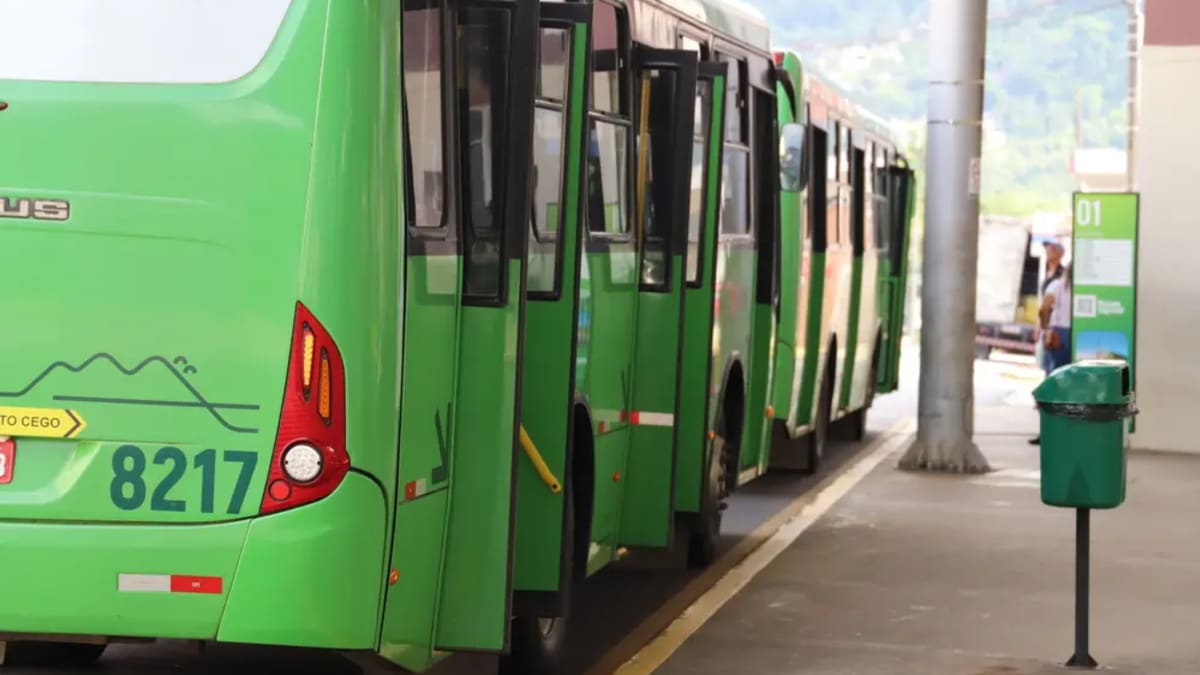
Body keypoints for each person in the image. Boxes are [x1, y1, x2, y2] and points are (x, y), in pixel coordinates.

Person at [1029, 262, 1072, 445]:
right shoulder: (1083, 288)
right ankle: (1067, 431)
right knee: (1071, 384)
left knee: (1053, 382)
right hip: (1076, 333)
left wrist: (1045, 329)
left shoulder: (1056, 286)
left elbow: (1044, 308)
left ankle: (1047, 431)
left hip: (1058, 334)